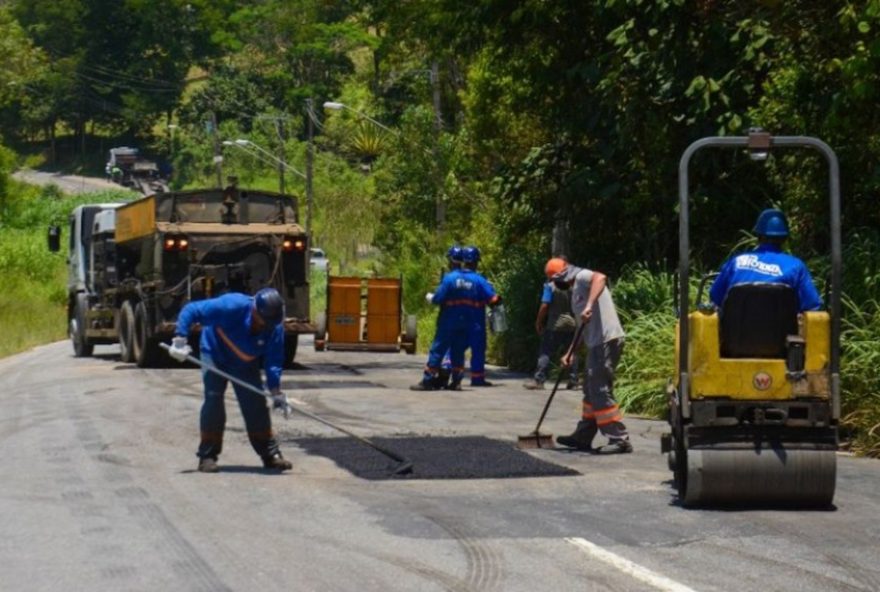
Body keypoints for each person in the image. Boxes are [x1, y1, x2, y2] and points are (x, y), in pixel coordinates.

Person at [168, 287, 293, 473]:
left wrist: (276, 392)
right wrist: (180, 339)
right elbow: (191, 310)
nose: (266, 326)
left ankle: (270, 454)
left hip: (244, 361)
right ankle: (207, 455)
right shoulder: (232, 305)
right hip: (215, 353)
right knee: (214, 400)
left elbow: (273, 361)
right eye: (263, 321)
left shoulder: (274, 327)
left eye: (270, 323)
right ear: (254, 310)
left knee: (255, 403)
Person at [546, 258, 633, 454]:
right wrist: (570, 353)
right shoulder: (575, 291)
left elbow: (600, 277)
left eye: (555, 279)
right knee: (590, 389)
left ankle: (619, 439)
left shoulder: (582, 276)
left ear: (563, 275)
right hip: (595, 343)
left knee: (599, 388)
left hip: (606, 340)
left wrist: (590, 305)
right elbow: (581, 328)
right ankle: (583, 436)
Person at [709, 208, 822, 312]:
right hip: (783, 333)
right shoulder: (796, 267)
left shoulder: (736, 262)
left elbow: (715, 297)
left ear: (758, 235)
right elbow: (812, 305)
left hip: (733, 333)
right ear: (785, 238)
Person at [411, 252, 496, 391]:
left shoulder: (449, 279)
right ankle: (456, 381)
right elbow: (494, 299)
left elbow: (438, 299)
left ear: (451, 261)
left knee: (438, 349)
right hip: (468, 324)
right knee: (458, 352)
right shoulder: (479, 280)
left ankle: (428, 380)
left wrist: (430, 298)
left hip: (448, 322)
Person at [523, 276, 579, 390]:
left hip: (555, 325)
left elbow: (545, 305)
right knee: (571, 352)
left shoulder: (550, 286)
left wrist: (538, 321)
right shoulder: (573, 286)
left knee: (545, 352)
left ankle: (539, 380)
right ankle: (573, 380)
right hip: (571, 324)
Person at [460, 246, 501, 387]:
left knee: (455, 348)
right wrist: (498, 299)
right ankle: (477, 379)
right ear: (476, 262)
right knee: (477, 350)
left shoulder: (454, 278)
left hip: (457, 320)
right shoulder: (479, 280)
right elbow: (493, 299)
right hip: (475, 322)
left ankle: (451, 375)